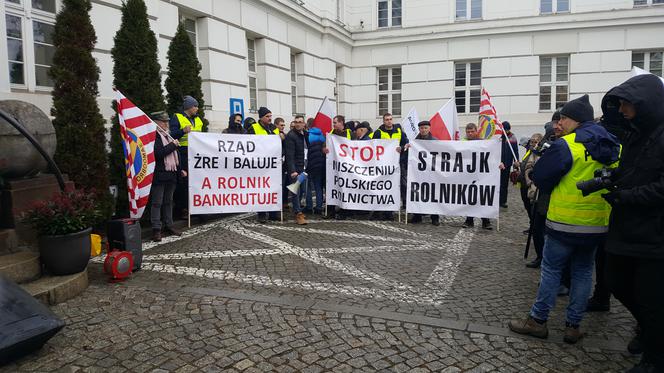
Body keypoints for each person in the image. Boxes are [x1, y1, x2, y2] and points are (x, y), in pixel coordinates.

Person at [508, 94, 620, 344]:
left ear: (575, 120)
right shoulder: (614, 144)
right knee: (582, 273)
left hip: (564, 222)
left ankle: (538, 321)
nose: (561, 123)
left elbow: (542, 177)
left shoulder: (567, 144)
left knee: (551, 270)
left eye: (564, 118)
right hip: (597, 223)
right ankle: (573, 326)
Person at [600, 74, 664, 372]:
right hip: (626, 228)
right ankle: (651, 330)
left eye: (627, 104)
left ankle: (655, 356)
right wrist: (612, 180)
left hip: (654, 235)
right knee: (617, 282)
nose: (622, 110)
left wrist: (626, 196)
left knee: (650, 298)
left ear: (645, 104)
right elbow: (632, 171)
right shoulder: (635, 135)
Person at [150, 111, 185, 242]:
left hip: (171, 173)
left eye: (167, 121)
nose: (166, 124)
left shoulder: (167, 135)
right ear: (156, 122)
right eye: (163, 121)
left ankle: (168, 225)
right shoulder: (154, 136)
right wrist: (173, 145)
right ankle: (156, 229)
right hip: (160, 174)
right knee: (157, 203)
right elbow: (158, 154)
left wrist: (180, 169)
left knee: (168, 202)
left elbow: (176, 156)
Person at [169, 95, 204, 219]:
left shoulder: (198, 119)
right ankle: (183, 209)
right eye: (195, 106)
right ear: (189, 106)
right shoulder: (177, 118)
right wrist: (182, 131)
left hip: (196, 153)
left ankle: (195, 206)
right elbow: (171, 135)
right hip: (182, 153)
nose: (197, 109)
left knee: (196, 181)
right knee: (184, 182)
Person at [370, 113, 409, 220]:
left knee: (395, 186)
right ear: (383, 121)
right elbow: (372, 145)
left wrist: (401, 148)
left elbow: (406, 143)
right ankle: (378, 211)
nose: (389, 121)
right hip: (383, 164)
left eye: (391, 119)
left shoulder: (399, 131)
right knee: (381, 186)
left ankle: (389, 212)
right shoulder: (378, 132)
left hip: (397, 163)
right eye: (387, 119)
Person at [247, 107, 280, 223]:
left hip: (273, 164)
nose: (270, 118)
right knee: (261, 189)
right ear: (261, 117)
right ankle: (261, 213)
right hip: (260, 165)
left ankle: (273, 212)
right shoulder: (253, 128)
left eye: (271, 116)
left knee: (273, 188)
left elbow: (280, 145)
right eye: (267, 116)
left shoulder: (274, 129)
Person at [462, 123, 493, 230]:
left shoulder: (483, 142)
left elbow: (492, 156)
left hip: (482, 174)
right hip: (467, 174)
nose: (470, 133)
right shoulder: (462, 143)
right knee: (469, 197)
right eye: (468, 132)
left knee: (482, 196)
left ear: (476, 131)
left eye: (472, 131)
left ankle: (486, 220)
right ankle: (469, 220)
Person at [409, 121, 440, 226]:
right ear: (419, 129)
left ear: (429, 128)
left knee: (432, 195)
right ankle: (417, 215)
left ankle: (435, 217)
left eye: (425, 128)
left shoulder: (435, 141)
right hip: (418, 173)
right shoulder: (415, 142)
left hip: (431, 172)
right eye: (421, 128)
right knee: (417, 193)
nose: (423, 130)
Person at [284, 115, 308, 225]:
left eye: (300, 122)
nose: (298, 124)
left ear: (304, 124)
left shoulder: (305, 134)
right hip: (296, 169)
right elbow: (289, 155)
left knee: (303, 190)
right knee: (295, 191)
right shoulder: (291, 136)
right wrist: (292, 170)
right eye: (296, 122)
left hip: (304, 167)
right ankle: (298, 214)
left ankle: (298, 210)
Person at [304, 117, 325, 215]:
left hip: (310, 165)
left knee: (308, 186)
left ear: (308, 125)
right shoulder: (322, 135)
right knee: (318, 186)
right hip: (320, 164)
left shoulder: (307, 136)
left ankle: (309, 207)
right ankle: (319, 207)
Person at [499, 121, 519, 208]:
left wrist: (516, 161)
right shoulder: (498, 137)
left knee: (504, 184)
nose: (506, 131)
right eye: (504, 129)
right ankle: (495, 200)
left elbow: (515, 151)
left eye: (507, 130)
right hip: (498, 164)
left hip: (507, 164)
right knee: (496, 183)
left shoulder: (512, 137)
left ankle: (503, 201)